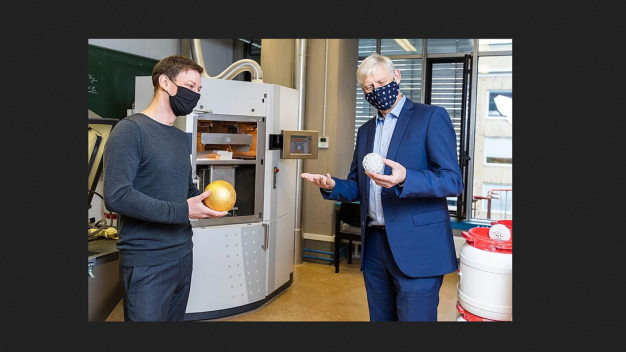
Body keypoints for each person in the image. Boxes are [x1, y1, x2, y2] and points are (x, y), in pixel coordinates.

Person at [301, 53, 464, 321]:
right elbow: (357, 185)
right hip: (375, 246)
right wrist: (332, 185)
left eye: (382, 82)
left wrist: (406, 178)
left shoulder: (431, 117)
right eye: (369, 87)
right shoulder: (366, 130)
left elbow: (452, 180)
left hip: (417, 248)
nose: (377, 90)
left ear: (397, 76)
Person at [103, 55, 228, 322]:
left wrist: (205, 201)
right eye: (191, 86)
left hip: (182, 253)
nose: (195, 95)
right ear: (165, 82)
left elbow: (186, 189)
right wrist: (183, 210)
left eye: (198, 89)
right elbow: (117, 196)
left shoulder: (178, 137)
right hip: (147, 261)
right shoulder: (130, 130)